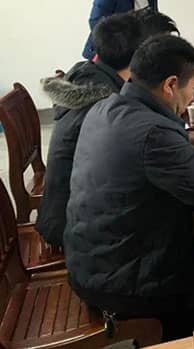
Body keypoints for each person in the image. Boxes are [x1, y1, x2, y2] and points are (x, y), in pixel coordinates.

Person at [63, 35, 194, 337]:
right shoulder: (155, 135)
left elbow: (137, 147)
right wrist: (185, 151)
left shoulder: (106, 107)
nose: (193, 97)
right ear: (170, 85)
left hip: (91, 262)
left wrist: (183, 140)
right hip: (122, 284)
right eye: (193, 87)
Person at [38, 13, 153, 247]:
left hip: (61, 211)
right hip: (74, 228)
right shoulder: (107, 104)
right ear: (139, 56)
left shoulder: (89, 75)